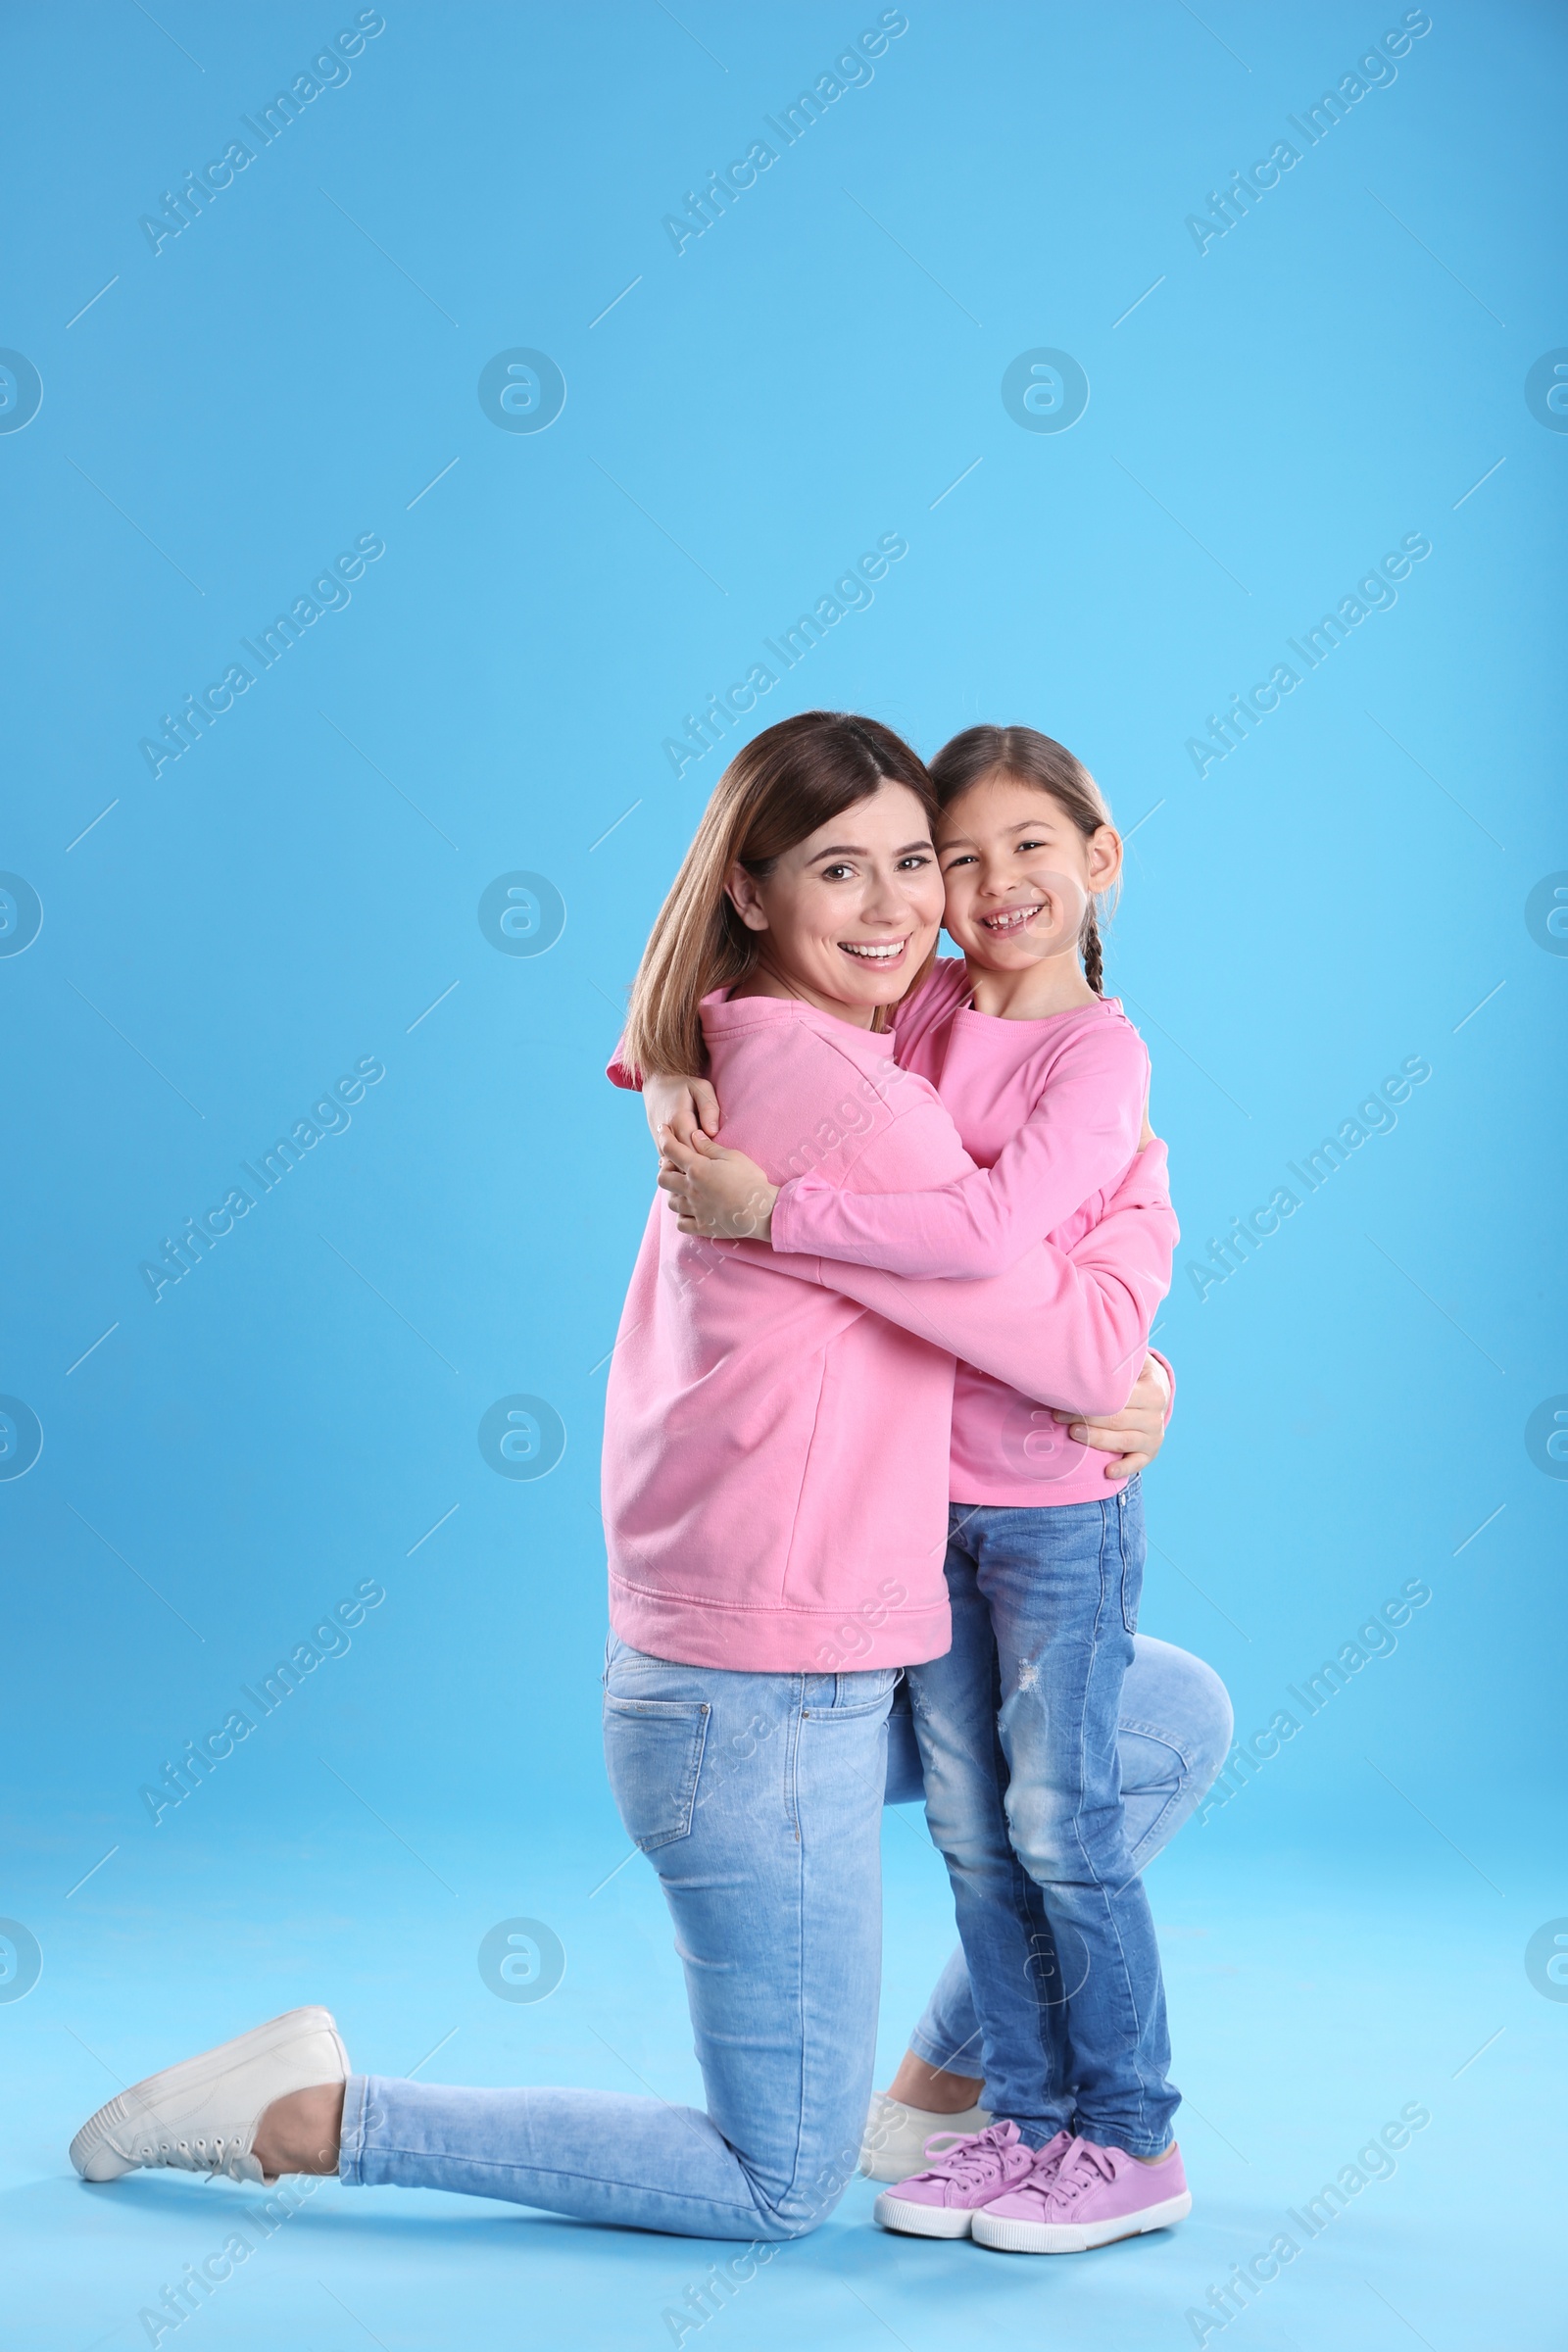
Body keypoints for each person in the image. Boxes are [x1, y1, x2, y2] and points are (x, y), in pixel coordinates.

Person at [68, 712, 1213, 2250]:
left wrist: (1123, 1302)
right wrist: (1138, 1332)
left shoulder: (757, 1034)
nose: (899, 909)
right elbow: (1055, 1319)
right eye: (846, 872)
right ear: (752, 891)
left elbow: (975, 1239)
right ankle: (311, 2116)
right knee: (776, 2186)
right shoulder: (860, 1100)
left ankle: (944, 2090)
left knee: (1163, 1722)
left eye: (906, 868)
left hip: (794, 1661)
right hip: (765, 1699)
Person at [662, 724, 1193, 2253]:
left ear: (1100, 858)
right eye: (959, 856)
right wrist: (666, 1092)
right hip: (925, 1504)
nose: (987, 882)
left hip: (1050, 1510)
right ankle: (1021, 2122)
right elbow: (721, 1022)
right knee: (974, 1833)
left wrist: (779, 1212)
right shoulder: (932, 1000)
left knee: (1065, 1825)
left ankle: (1131, 2136)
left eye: (1031, 844)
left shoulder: (1101, 1054)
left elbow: (986, 1240)